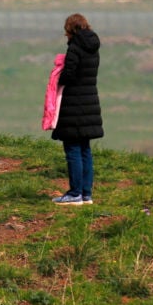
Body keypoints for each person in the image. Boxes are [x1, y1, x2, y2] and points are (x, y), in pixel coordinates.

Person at [51, 13, 103, 206]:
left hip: (73, 105)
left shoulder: (75, 48)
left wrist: (58, 75)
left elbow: (69, 76)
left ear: (70, 29)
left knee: (72, 149)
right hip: (90, 104)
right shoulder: (93, 48)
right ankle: (86, 193)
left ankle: (74, 194)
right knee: (85, 150)